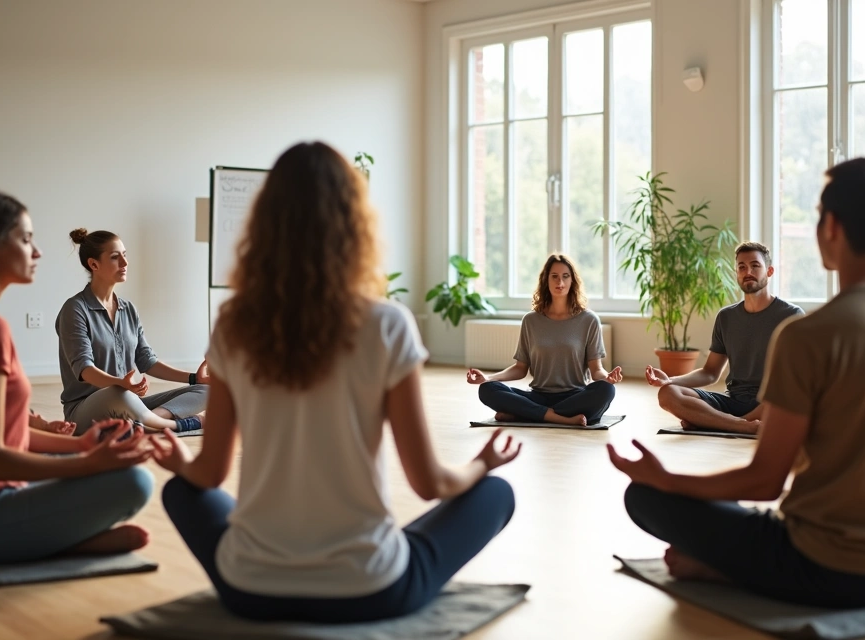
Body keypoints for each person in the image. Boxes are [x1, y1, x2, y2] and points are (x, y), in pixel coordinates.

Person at [151, 142, 520, 623]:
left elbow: (209, 475)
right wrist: (482, 463)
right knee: (496, 493)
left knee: (180, 491)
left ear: (266, 224)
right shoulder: (387, 323)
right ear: (352, 223)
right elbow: (430, 484)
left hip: (249, 590)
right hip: (369, 591)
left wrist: (180, 462)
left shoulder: (234, 324)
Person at [610, 158, 865, 608]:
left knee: (645, 496)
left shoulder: (806, 334)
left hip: (825, 565)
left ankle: (722, 571)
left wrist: (667, 479)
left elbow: (764, 481)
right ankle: (723, 567)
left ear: (831, 226)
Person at [0, 189, 154, 564]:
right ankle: (65, 544)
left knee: (109, 469)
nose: (38, 251)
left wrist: (79, 446)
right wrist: (88, 464)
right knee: (135, 482)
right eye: (26, 239)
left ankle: (55, 541)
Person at [57, 228, 208, 434]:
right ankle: (175, 425)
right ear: (94, 264)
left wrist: (193, 378)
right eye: (115, 257)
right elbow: (85, 370)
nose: (125, 263)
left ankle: (143, 423)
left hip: (128, 401)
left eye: (125, 255)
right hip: (85, 411)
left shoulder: (128, 309)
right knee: (118, 394)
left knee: (208, 390)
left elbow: (147, 361)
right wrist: (120, 383)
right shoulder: (74, 309)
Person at [645, 242, 802, 434]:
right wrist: (669, 380)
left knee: (789, 397)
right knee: (668, 394)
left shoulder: (791, 315)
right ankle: (741, 425)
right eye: (741, 267)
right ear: (736, 273)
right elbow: (710, 372)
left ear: (769, 271)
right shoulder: (726, 317)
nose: (748, 272)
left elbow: (796, 379)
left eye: (755, 266)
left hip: (770, 402)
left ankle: (713, 421)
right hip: (732, 401)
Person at [467, 254, 622, 427]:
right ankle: (560, 418)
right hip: (538, 396)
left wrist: (607, 377)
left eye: (565, 276)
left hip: (574, 396)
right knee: (487, 389)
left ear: (572, 281)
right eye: (554, 276)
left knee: (606, 390)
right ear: (545, 280)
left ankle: (526, 414)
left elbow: (596, 370)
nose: (560, 282)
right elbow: (520, 368)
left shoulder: (589, 320)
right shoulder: (530, 320)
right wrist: (487, 378)